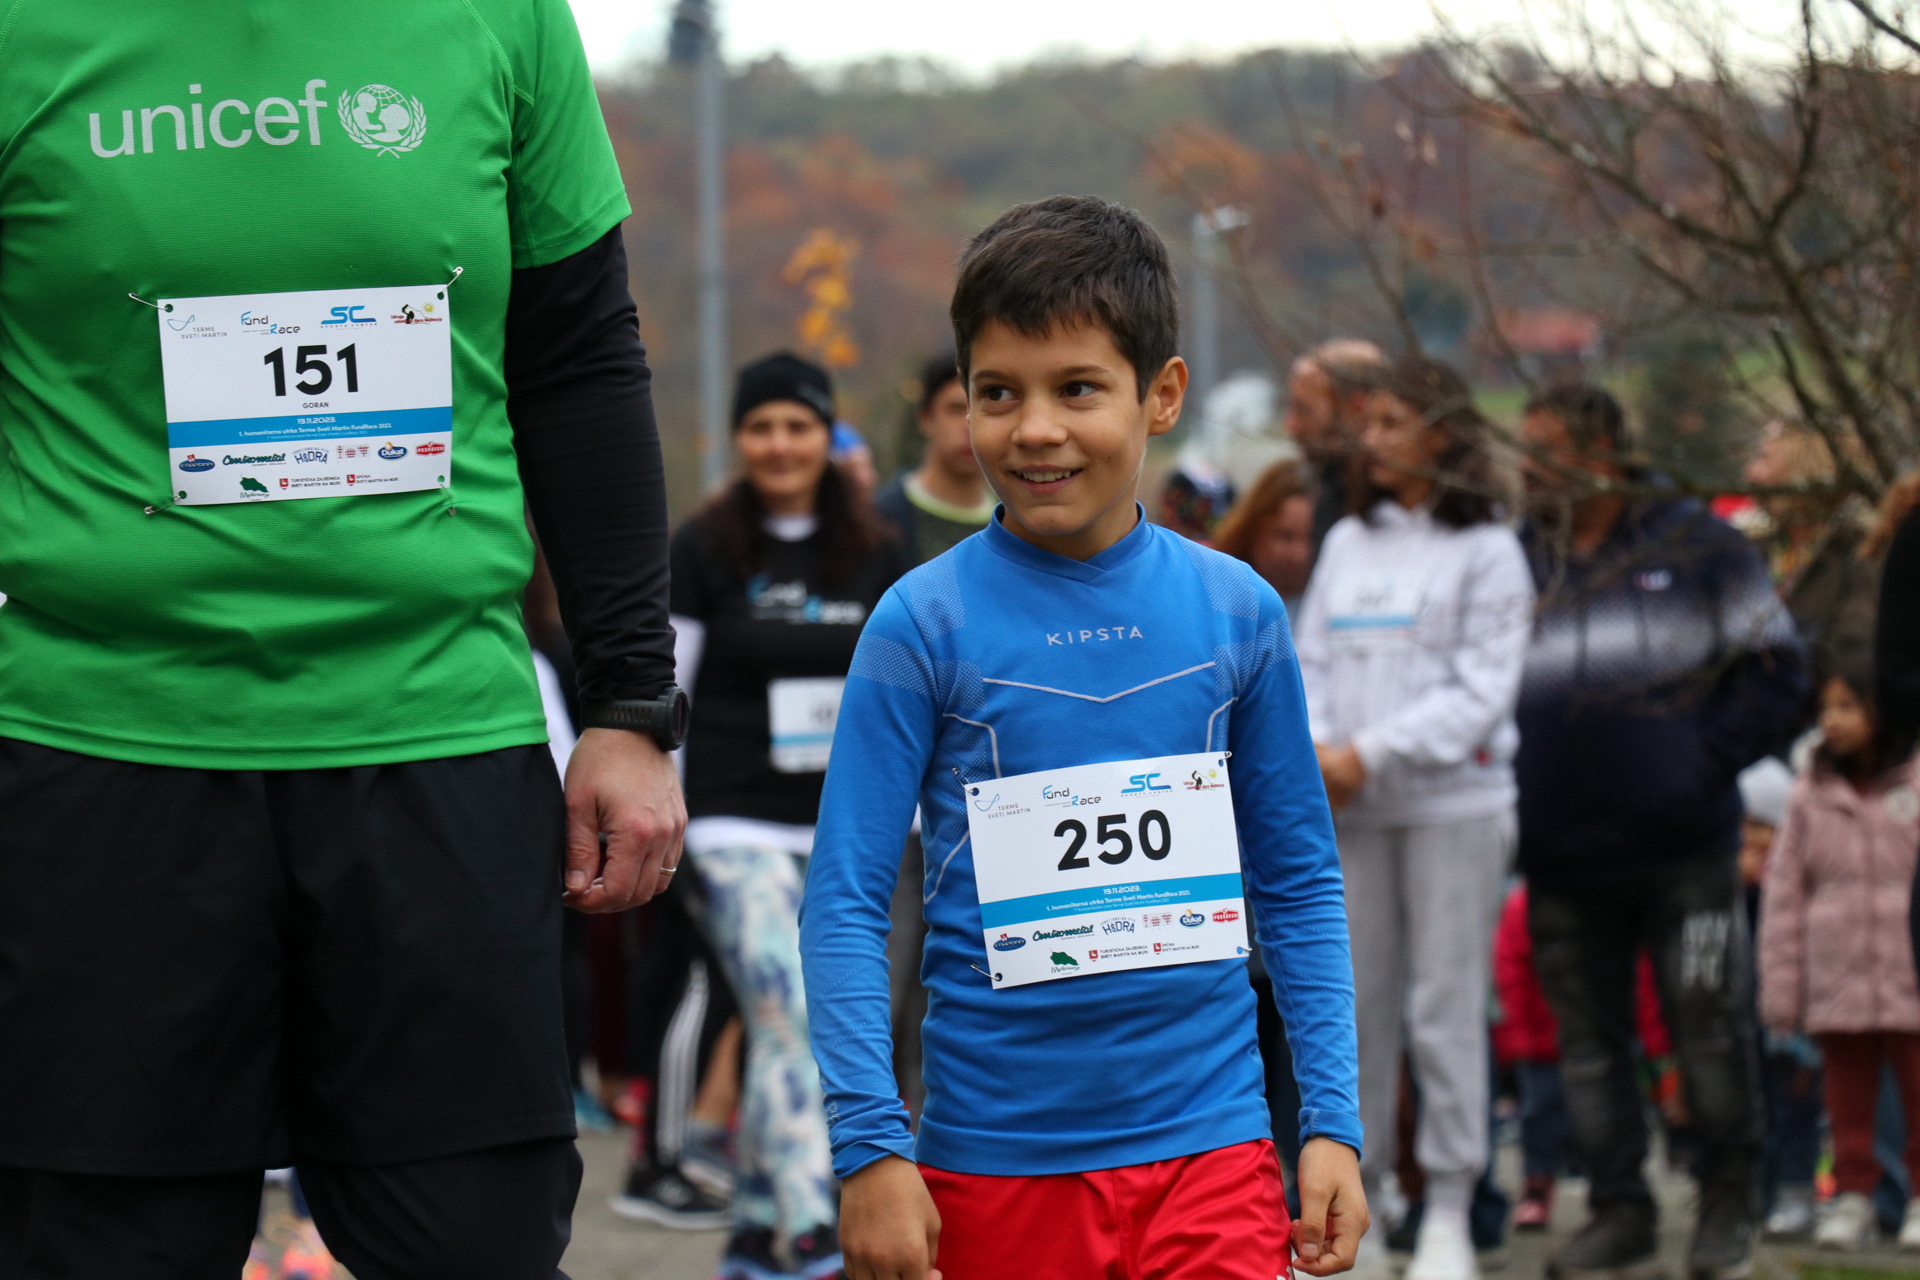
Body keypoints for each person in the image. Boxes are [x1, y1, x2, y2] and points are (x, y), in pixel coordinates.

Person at [0, 5, 688, 1275]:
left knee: (476, 1244)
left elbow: (581, 358)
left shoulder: (504, 16)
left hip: (434, 740)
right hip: (102, 748)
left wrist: (630, 702)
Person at [799, 195, 1367, 1280]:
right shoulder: (921, 623)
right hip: (995, 1166)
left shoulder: (1239, 611)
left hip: (1214, 1152)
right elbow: (846, 899)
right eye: (997, 392)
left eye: (1077, 389)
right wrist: (870, 1141)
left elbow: (1298, 881)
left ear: (1161, 396)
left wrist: (1330, 1119)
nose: (1035, 429)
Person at [1514, 384, 1806, 1280]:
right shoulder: (1515, 559)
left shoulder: (1700, 545)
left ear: (1601, 452)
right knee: (1589, 1048)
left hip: (1686, 851)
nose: (1526, 471)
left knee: (1710, 1030)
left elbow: (1778, 667)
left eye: (1545, 451)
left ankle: (1728, 1204)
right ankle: (1618, 1209)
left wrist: (1697, 761)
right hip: (1560, 854)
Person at [663, 351, 912, 1279]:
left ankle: (758, 1222)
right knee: (787, 1015)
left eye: (797, 425)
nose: (779, 444)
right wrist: (674, 820)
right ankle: (816, 1225)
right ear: (738, 439)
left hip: (855, 832)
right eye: (760, 427)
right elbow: (669, 688)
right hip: (734, 827)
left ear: (827, 435)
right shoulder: (702, 546)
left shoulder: (880, 547)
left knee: (818, 1023)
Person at [1293, 356, 1535, 1280]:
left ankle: (1447, 1206)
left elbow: (1480, 692)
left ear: (1446, 433)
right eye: (1370, 422)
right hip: (1354, 812)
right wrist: (1322, 752)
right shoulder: (1351, 540)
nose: (1374, 439)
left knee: (1443, 1008)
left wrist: (1373, 753)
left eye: (1394, 421)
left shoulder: (1489, 550)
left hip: (1453, 810)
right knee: (1356, 1012)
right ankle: (1370, 1200)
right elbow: (1308, 660)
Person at [1759, 658, 1920, 1251]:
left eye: (1848, 706)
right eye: (1827, 707)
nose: (1834, 720)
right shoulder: (1809, 795)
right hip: (1836, 974)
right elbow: (1782, 895)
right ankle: (1851, 1197)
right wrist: (1782, 988)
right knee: (1845, 1097)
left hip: (1911, 970)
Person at [1736, 758, 1824, 1241]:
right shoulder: (1725, 887)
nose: (1749, 839)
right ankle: (1758, 1195)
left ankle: (1794, 1193)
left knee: (1795, 1111)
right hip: (1742, 1022)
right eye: (1741, 826)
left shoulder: (1793, 885)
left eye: (1760, 827)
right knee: (1755, 1114)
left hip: (1790, 1020)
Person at [876, 352, 997, 566]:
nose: (969, 424)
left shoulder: (1016, 522)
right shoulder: (878, 520)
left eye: (983, 409)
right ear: (925, 419)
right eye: (956, 409)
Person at [1284, 340, 1389, 549]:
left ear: (1358, 407)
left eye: (1304, 410)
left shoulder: (1390, 503)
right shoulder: (1328, 486)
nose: (1291, 426)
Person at [1212, 459, 1318, 612]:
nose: (1299, 555)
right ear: (1251, 530)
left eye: (1312, 538)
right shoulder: (1217, 603)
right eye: (1284, 536)